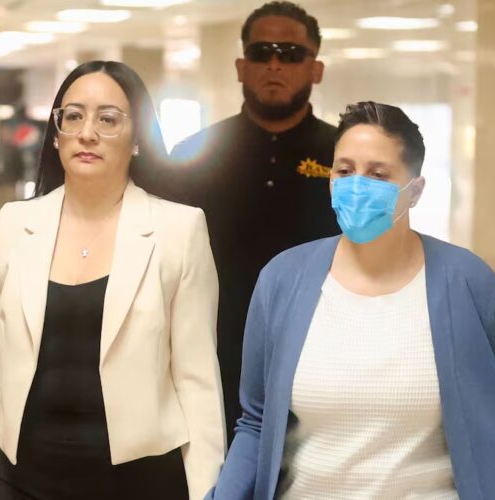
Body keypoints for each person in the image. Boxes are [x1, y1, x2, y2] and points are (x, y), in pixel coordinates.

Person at [208, 102, 495, 499]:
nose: (357, 186)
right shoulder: (282, 281)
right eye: (344, 171)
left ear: (416, 191)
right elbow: (256, 423)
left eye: (378, 174)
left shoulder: (469, 283)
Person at [0, 60, 225, 500]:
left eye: (108, 119)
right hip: (25, 482)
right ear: (56, 134)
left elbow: (197, 385)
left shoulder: (178, 230)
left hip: (139, 485)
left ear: (138, 138)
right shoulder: (15, 225)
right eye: (73, 116)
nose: (87, 133)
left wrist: (209, 492)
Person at [166, 0, 339, 442]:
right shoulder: (192, 156)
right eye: (262, 53)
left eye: (291, 54)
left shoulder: (345, 158)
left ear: (316, 69)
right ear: (241, 67)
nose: (274, 65)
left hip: (322, 363)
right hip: (211, 361)